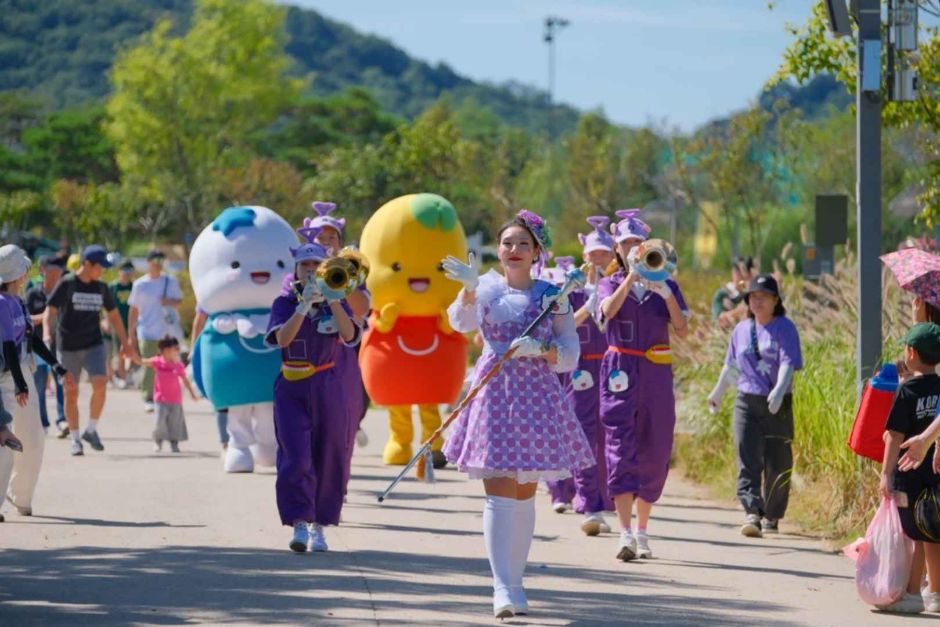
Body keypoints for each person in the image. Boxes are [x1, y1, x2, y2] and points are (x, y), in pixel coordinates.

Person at [441, 209, 593, 619]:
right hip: (493, 393)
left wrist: (540, 350)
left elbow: (569, 354)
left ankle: (517, 580)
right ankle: (501, 587)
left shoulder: (552, 295)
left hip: (536, 398)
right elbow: (460, 323)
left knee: (525, 495)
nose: (513, 250)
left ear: (537, 251)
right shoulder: (487, 288)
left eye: (523, 244)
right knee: (499, 493)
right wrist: (470, 291)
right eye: (507, 243)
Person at [597, 209, 689, 561]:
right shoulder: (609, 282)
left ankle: (643, 530)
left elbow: (682, 329)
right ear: (618, 250)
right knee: (619, 448)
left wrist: (665, 292)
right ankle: (623, 533)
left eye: (638, 243)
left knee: (656, 447)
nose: (633, 248)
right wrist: (631, 279)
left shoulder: (667, 283)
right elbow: (606, 310)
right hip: (620, 367)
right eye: (626, 244)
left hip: (656, 369)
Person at [265, 225, 361, 553]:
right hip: (292, 386)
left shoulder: (338, 297)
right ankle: (299, 523)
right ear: (295, 270)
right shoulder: (283, 302)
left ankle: (321, 524)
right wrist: (302, 306)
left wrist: (333, 300)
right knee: (295, 454)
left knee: (330, 454)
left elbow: (349, 336)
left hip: (328, 385)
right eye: (304, 266)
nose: (309, 271)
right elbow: (282, 339)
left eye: (315, 266)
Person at [708, 274, 802, 538]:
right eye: (753, 297)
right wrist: (717, 392)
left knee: (778, 461)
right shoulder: (741, 330)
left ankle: (772, 513)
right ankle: (752, 511)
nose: (757, 302)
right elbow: (732, 365)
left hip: (777, 402)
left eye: (763, 297)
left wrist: (780, 390)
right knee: (746, 456)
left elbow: (787, 362)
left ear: (775, 300)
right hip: (746, 400)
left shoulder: (785, 328)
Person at [0, 245, 73, 518]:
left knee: (33, 438)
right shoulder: (1, 303)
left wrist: (57, 366)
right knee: (5, 441)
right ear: (15, 274)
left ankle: (21, 494)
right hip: (5, 377)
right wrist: (19, 384)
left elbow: (30, 340)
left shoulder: (18, 301)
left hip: (22, 371)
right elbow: (7, 346)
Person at [874, 322, 940, 614]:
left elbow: (896, 436)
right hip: (936, 470)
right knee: (932, 528)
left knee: (911, 532)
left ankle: (911, 593)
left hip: (908, 470)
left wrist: (886, 473)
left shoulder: (907, 389)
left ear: (911, 353)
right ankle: (935, 592)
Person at [44, 245, 132, 456]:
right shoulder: (67, 283)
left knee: (100, 384)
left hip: (94, 344)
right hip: (69, 347)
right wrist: (47, 333)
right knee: (70, 392)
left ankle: (91, 430)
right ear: (87, 264)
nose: (102, 270)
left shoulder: (101, 287)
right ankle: (75, 439)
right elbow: (51, 310)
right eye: (100, 266)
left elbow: (114, 316)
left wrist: (125, 342)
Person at [308, 201, 372, 453]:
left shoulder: (351, 269)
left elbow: (362, 309)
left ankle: (351, 426)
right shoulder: (299, 270)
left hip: (346, 346)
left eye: (331, 237)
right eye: (319, 237)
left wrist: (343, 276)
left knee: (354, 398)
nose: (325, 242)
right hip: (311, 348)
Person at [127, 249, 183, 413]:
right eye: (155, 260)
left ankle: (164, 395)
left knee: (167, 366)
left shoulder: (170, 281)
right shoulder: (140, 284)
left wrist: (168, 301)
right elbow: (134, 310)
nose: (158, 264)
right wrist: (131, 334)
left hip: (166, 331)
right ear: (148, 262)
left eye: (161, 260)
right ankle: (148, 397)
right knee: (150, 364)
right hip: (146, 330)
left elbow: (179, 302)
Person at [24, 255, 67, 435]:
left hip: (61, 345)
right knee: (39, 386)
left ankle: (62, 420)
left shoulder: (65, 293)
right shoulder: (33, 294)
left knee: (61, 384)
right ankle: (43, 423)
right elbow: (25, 320)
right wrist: (46, 316)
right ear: (43, 271)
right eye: (51, 272)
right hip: (38, 347)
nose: (54, 276)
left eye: (58, 272)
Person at [133, 336, 197, 453]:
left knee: (175, 423)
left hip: (175, 400)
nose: (177, 351)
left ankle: (174, 443)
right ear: (165, 350)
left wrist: (192, 394)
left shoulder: (178, 365)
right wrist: (132, 355)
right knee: (160, 422)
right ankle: (158, 441)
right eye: (175, 348)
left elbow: (185, 380)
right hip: (160, 399)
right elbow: (141, 362)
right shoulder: (158, 361)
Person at [191, 305, 229, 452]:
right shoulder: (210, 297)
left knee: (223, 400)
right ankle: (225, 442)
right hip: (216, 349)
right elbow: (199, 321)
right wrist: (194, 348)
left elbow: (198, 322)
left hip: (223, 351)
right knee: (221, 401)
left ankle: (228, 442)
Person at [108, 260, 135, 388]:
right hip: (117, 324)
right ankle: (122, 375)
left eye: (129, 271)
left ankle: (128, 373)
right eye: (124, 271)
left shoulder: (134, 286)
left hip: (131, 324)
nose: (127, 274)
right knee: (119, 351)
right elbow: (107, 307)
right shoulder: (113, 287)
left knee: (132, 349)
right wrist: (106, 321)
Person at [712, 256, 754, 328]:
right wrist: (739, 311)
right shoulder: (722, 294)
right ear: (733, 273)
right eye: (738, 273)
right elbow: (718, 321)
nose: (742, 277)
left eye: (745, 273)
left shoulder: (754, 293)